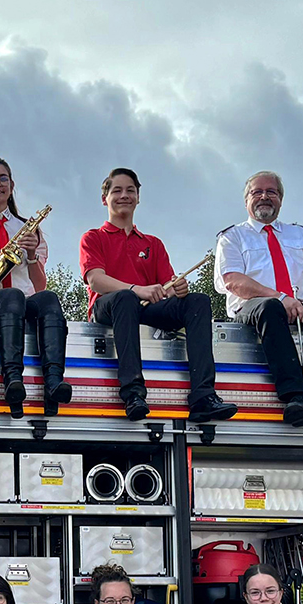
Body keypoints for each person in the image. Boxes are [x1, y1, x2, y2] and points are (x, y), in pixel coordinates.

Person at [79, 167, 238, 424]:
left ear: (138, 197)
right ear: (104, 199)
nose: (124, 195)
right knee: (125, 298)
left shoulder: (153, 243)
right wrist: (136, 289)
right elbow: (96, 280)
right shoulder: (93, 237)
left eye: (130, 190)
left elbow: (167, 285)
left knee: (197, 301)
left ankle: (203, 396)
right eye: (117, 190)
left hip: (144, 307)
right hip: (109, 307)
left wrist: (178, 289)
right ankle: (133, 394)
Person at [0, 158, 71, 417]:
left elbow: (39, 285)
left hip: (21, 303)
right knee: (12, 296)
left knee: (49, 299)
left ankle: (54, 382)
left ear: (12, 185)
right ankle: (13, 381)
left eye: (3, 178)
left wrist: (32, 255)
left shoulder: (28, 229)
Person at [215, 171, 303, 426]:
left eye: (271, 192)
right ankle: (296, 397)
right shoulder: (232, 237)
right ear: (246, 200)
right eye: (257, 192)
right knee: (271, 307)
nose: (264, 196)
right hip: (254, 310)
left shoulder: (302, 234)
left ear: (281, 199)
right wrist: (282, 297)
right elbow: (233, 281)